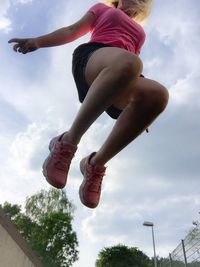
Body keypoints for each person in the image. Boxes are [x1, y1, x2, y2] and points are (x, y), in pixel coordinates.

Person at [8, 0, 169, 209]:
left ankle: (95, 165)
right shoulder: (102, 9)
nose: (134, 3)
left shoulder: (140, 32)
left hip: (122, 72)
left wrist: (143, 112)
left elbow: (133, 60)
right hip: (92, 59)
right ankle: (66, 143)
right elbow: (72, 30)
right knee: (130, 62)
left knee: (158, 95)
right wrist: (38, 41)